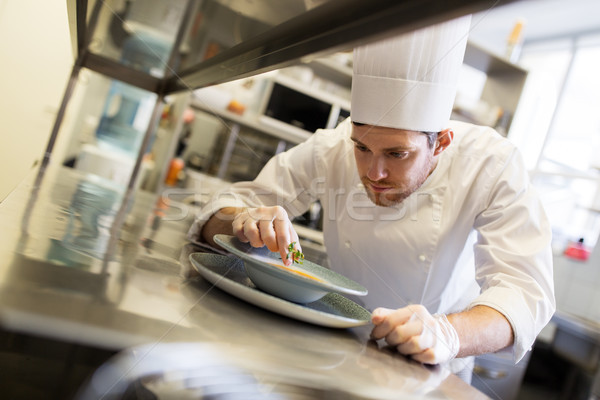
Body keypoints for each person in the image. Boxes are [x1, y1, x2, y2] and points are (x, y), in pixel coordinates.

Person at [187, 15, 555, 381]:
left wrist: (448, 333)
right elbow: (218, 213)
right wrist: (241, 221)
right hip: (330, 346)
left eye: (397, 154)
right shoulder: (331, 147)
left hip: (429, 373)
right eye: (361, 147)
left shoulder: (491, 163)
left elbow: (525, 294)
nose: (373, 173)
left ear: (440, 142)